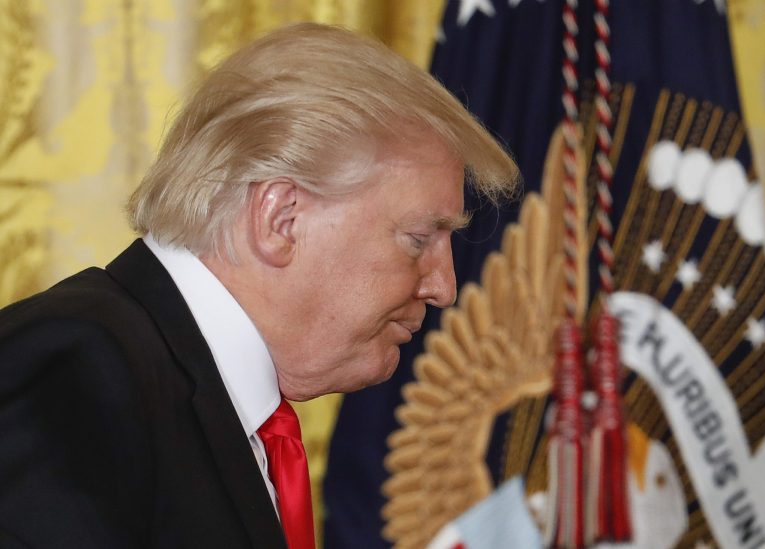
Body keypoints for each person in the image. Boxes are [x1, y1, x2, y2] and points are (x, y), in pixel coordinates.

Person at [0, 22, 518, 549]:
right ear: (281, 220)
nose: (445, 287)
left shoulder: (197, 396)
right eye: (417, 239)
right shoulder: (69, 370)